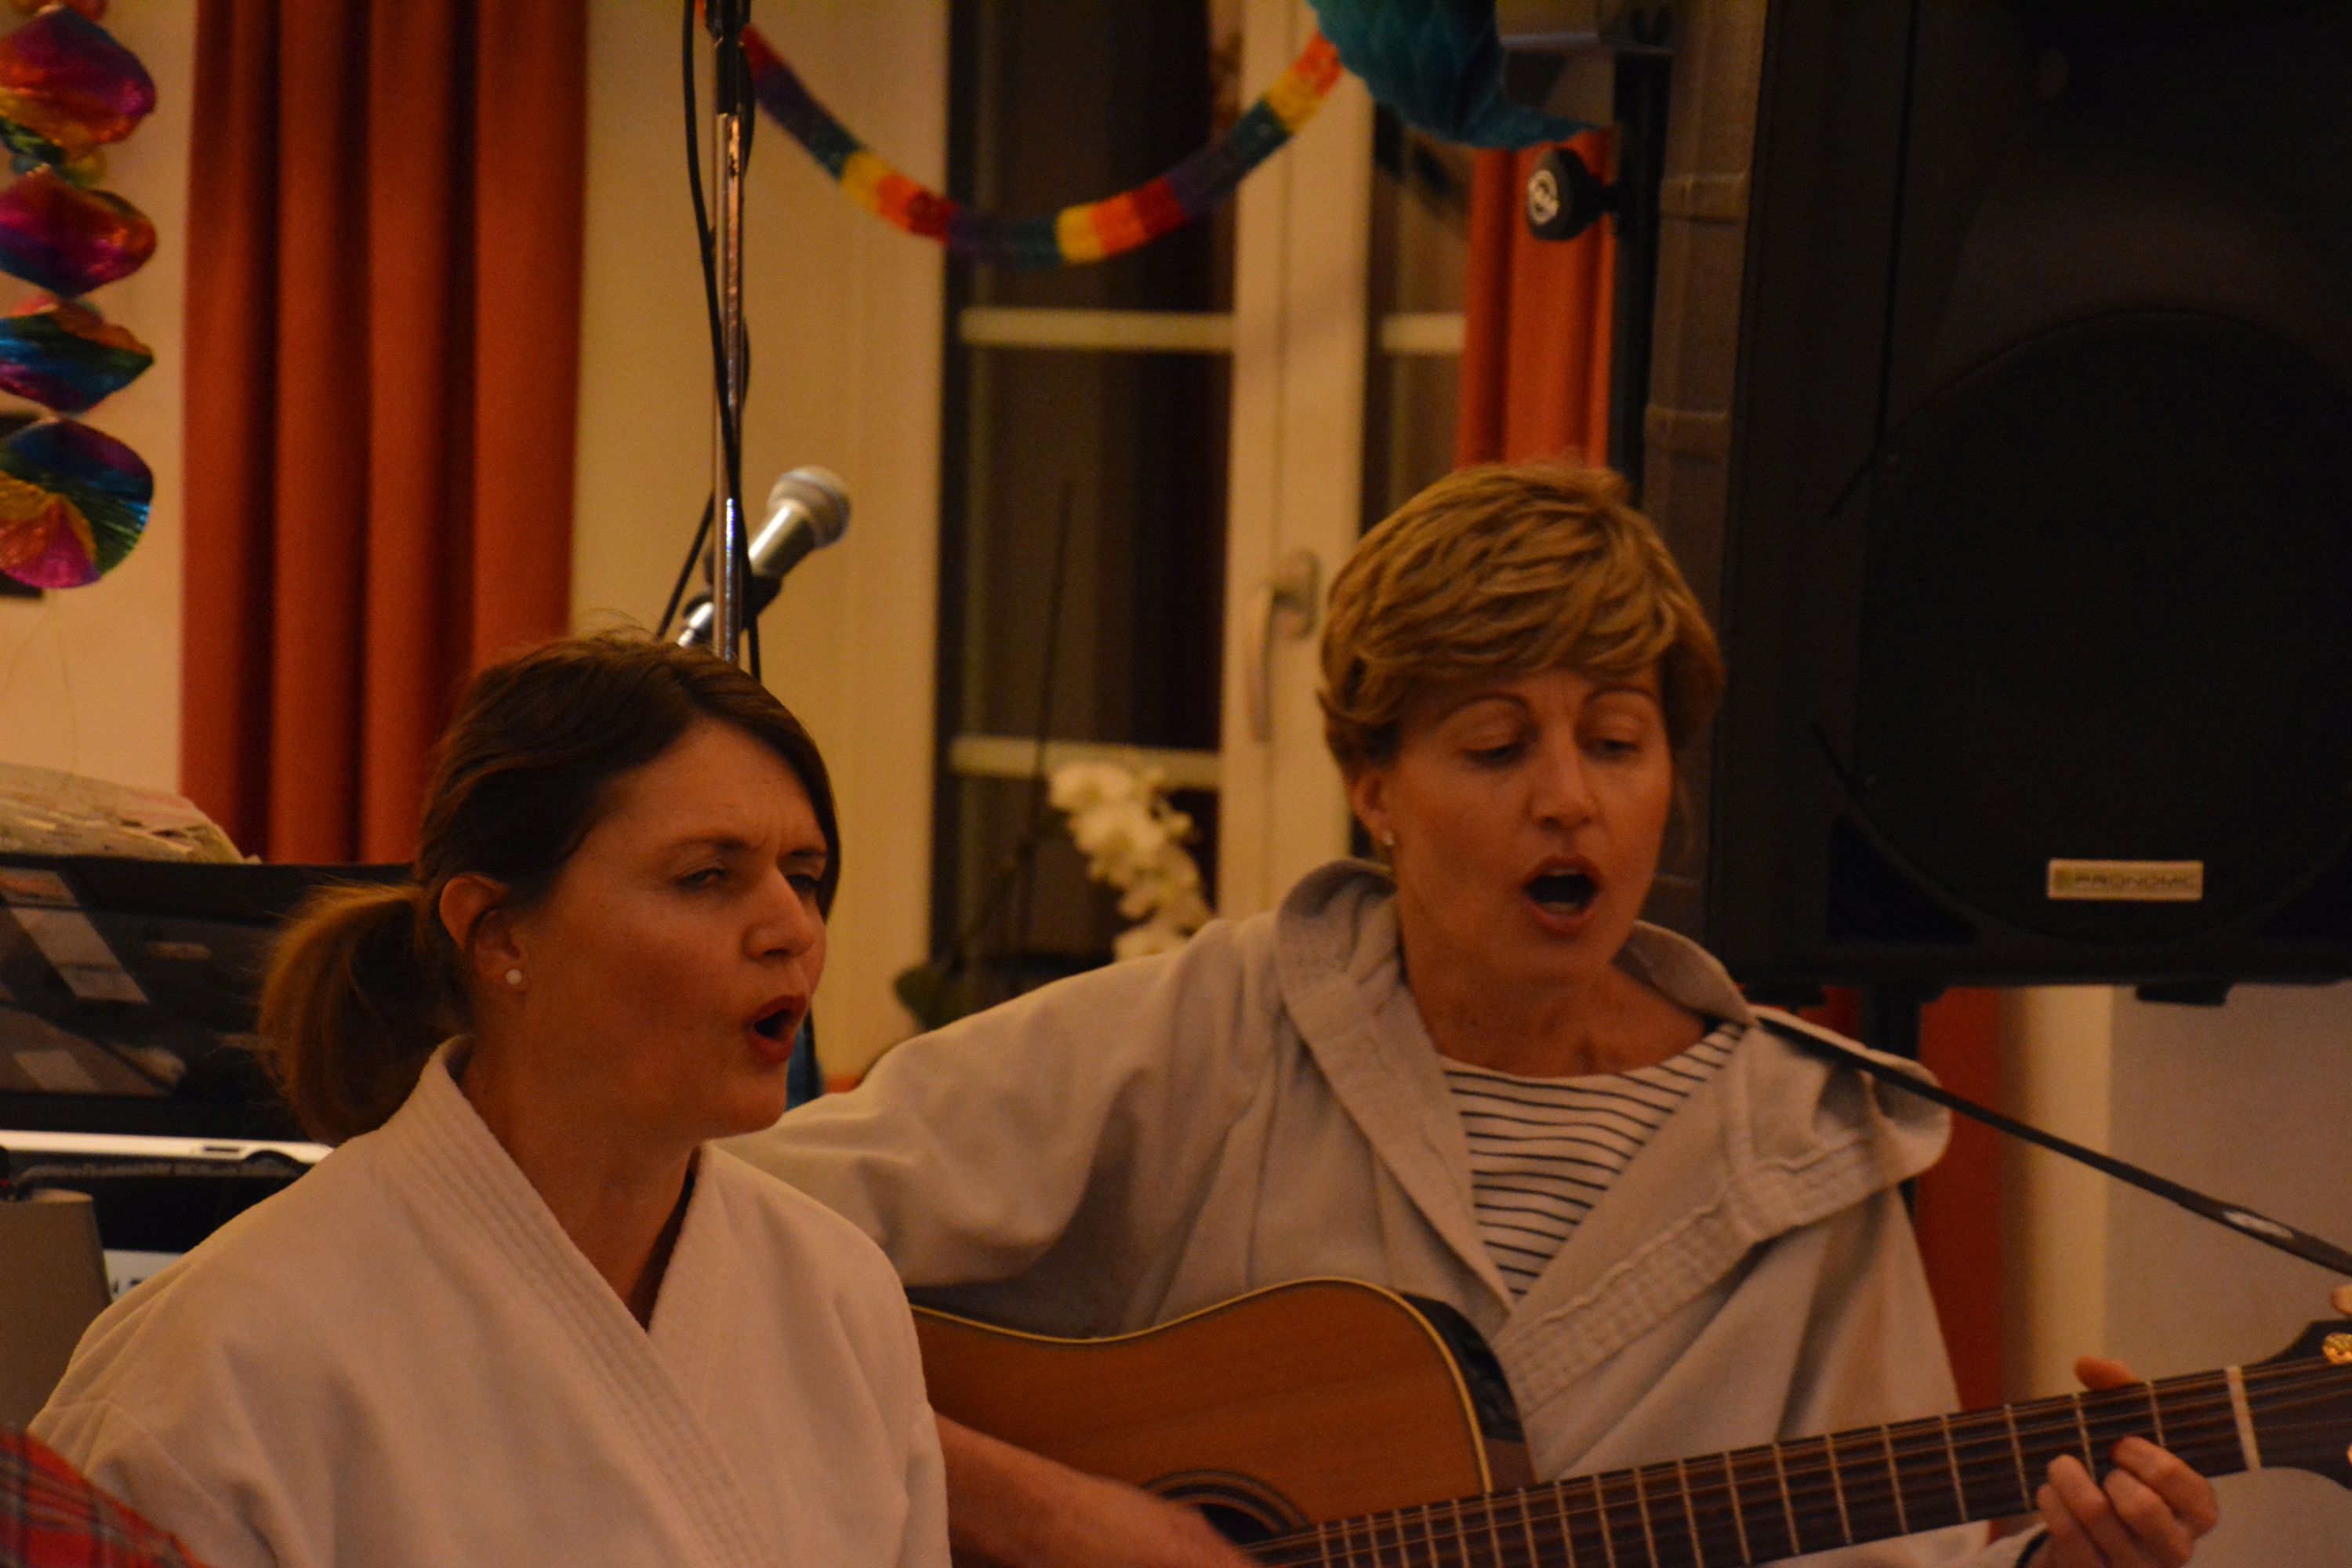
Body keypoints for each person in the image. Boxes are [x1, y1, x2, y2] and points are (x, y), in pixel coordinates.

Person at [734, 463, 2220, 1568]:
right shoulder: (1207, 1030)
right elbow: (712, 1230)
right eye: (1498, 746)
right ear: (1375, 787)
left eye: (1618, 743)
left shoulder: (1806, 1150)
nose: (1569, 798)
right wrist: (1054, 1516)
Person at [32, 634, 948, 1568]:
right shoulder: (225, 1358)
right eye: (706, 876)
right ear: (498, 932)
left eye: (805, 876)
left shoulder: (838, 1295)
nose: (792, 927)